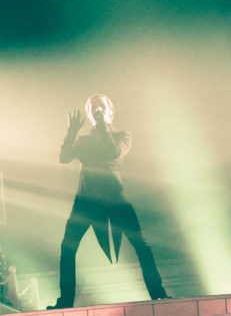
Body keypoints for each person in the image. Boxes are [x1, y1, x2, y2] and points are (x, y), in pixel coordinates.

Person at [49, 94, 167, 309]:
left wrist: (101, 127)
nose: (97, 110)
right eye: (93, 108)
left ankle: (158, 294)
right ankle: (65, 301)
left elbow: (114, 152)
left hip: (114, 196)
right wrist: (71, 132)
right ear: (88, 114)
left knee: (141, 244)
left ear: (110, 111)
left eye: (101, 107)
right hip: (86, 199)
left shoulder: (123, 135)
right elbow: (64, 158)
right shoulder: (84, 141)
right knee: (68, 248)